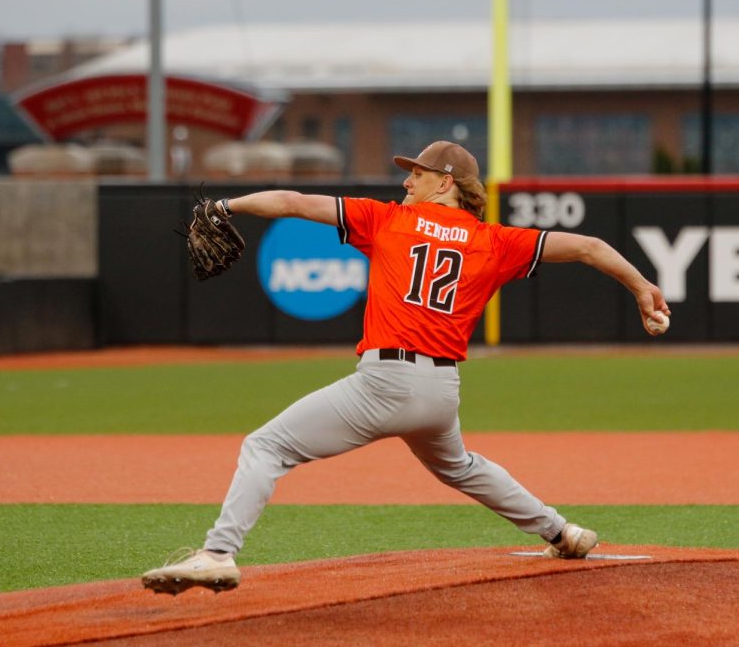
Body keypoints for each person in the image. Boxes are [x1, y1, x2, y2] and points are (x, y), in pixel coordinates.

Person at [142, 140, 670, 595]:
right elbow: (590, 246)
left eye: (415, 174)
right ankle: (563, 534)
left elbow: (292, 202)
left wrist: (227, 204)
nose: (406, 182)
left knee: (266, 446)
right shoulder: (495, 241)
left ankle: (216, 555)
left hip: (384, 382)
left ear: (446, 182)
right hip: (440, 392)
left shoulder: (388, 219)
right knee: (460, 466)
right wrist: (642, 288)